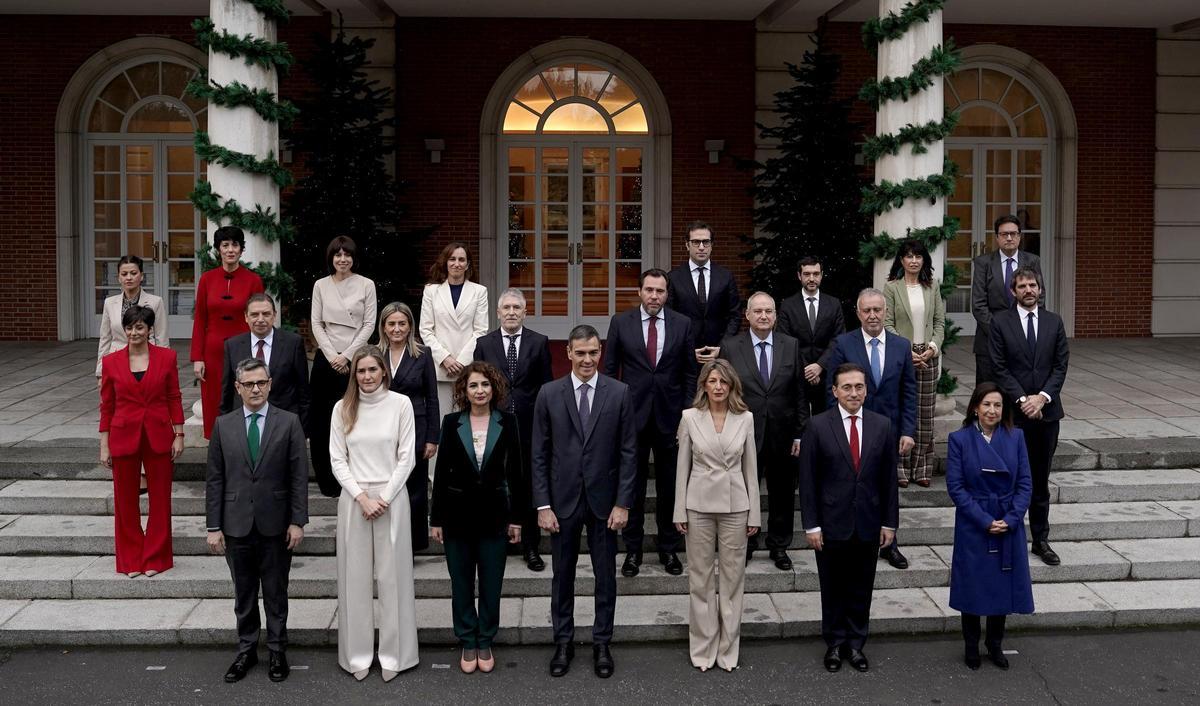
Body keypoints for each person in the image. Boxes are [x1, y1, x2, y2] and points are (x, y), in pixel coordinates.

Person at [532, 325, 637, 679]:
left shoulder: (619, 393)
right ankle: (563, 642)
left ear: (600, 352)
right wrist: (542, 505)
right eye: (581, 353)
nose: (588, 359)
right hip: (562, 503)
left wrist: (623, 503)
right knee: (562, 576)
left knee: (605, 577)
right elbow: (539, 455)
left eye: (594, 352)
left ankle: (601, 643)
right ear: (569, 354)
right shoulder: (548, 394)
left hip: (605, 504)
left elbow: (628, 452)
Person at [205, 357, 309, 684]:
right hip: (236, 524)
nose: (255, 389)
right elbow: (215, 480)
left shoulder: (289, 422)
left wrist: (297, 521)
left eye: (261, 382)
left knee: (276, 592)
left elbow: (298, 477)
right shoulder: (224, 425)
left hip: (276, 524)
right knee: (244, 593)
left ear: (270, 384)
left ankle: (277, 650)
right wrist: (213, 526)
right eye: (248, 384)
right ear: (237, 388)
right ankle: (247, 649)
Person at [799, 363, 899, 673]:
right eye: (847, 387)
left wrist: (889, 522)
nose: (853, 393)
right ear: (834, 391)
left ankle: (856, 644)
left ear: (866, 390)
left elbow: (888, 480)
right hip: (830, 524)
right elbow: (809, 480)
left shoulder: (882, 425)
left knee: (861, 587)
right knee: (832, 588)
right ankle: (834, 643)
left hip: (868, 523)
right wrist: (811, 525)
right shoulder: (817, 426)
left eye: (858, 387)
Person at [329, 345, 419, 681]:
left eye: (372, 370)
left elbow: (407, 457)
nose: (367, 377)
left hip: (392, 496)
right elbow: (337, 459)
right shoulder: (342, 408)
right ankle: (357, 656)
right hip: (354, 499)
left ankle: (396, 655)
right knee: (354, 580)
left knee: (393, 578)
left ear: (384, 371)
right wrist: (361, 497)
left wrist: (382, 496)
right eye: (361, 371)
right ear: (354, 375)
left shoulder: (401, 404)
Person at [430, 362, 527, 674]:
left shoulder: (508, 422)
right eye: (473, 386)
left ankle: (485, 638)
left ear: (493, 388)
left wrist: (516, 519)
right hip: (456, 517)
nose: (480, 390)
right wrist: (436, 519)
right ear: (464, 391)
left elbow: (517, 473)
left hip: (494, 517)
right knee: (460, 582)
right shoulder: (451, 422)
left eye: (485, 384)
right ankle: (467, 639)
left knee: (490, 583)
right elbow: (441, 472)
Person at [603, 268, 697, 578]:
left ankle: (669, 549)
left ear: (667, 294)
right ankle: (632, 550)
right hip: (632, 417)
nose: (654, 296)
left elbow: (688, 373)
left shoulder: (683, 324)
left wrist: (687, 414)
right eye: (649, 290)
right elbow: (611, 370)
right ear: (640, 292)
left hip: (671, 418)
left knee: (670, 487)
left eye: (660, 291)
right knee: (632, 487)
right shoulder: (621, 323)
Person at [673, 359, 760, 672]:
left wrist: (755, 514)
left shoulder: (745, 418)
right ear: (704, 385)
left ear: (732, 385)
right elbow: (682, 466)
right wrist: (678, 509)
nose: (718, 387)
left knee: (733, 579)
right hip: (698, 505)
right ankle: (703, 646)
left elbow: (751, 468)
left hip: (737, 506)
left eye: (724, 381)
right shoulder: (689, 417)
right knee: (700, 579)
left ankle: (728, 649)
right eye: (712, 381)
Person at [825, 288, 916, 571]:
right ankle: (856, 539)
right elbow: (832, 392)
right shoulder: (843, 344)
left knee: (887, 486)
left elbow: (909, 392)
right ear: (858, 313)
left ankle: (890, 544)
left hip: (889, 431)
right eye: (867, 310)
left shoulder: (902, 346)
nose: (873, 315)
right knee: (854, 485)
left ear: (886, 312)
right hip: (853, 430)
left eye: (877, 310)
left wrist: (908, 431)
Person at [946, 382, 1035, 670]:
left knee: (1001, 585)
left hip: (1008, 519)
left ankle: (995, 644)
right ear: (975, 407)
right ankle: (971, 645)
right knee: (973, 585)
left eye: (997, 405)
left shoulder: (1016, 437)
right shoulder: (959, 439)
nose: (992, 410)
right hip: (975, 522)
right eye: (987, 404)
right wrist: (985, 520)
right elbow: (956, 488)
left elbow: (1025, 483)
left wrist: (1011, 520)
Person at [718, 292, 808, 570]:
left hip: (783, 434)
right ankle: (745, 543)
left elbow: (799, 393)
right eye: (757, 311)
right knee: (744, 491)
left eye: (768, 311)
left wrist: (799, 434)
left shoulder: (790, 345)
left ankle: (779, 545)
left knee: (782, 493)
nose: (763, 316)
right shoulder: (731, 347)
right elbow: (721, 392)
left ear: (775, 316)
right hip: (742, 435)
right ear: (747, 315)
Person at [989, 267, 1069, 566]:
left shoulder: (1054, 322)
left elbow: (1060, 366)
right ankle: (1008, 536)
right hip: (1013, 415)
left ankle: (1041, 540)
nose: (1028, 290)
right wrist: (1023, 400)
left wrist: (1042, 399)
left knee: (1039, 480)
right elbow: (998, 367)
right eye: (1022, 286)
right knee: (1008, 478)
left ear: (1040, 288)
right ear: (1013, 291)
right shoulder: (1000, 322)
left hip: (1047, 415)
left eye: (1033, 284)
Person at [98, 305, 183, 577]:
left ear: (149, 330)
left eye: (140, 327)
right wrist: (104, 443)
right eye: (130, 327)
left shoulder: (167, 358)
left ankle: (156, 557)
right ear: (124, 330)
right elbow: (106, 406)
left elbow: (174, 397)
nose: (134, 332)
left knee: (160, 500)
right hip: (123, 435)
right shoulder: (111, 362)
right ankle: (131, 559)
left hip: (159, 435)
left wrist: (179, 434)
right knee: (125, 501)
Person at [473, 288, 554, 571]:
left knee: (528, 485)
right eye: (506, 308)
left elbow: (547, 387)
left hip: (530, 426)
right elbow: (477, 384)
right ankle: (499, 543)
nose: (510, 312)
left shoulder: (539, 342)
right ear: (498, 312)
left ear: (524, 312)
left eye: (516, 308)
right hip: (494, 425)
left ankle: (530, 546)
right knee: (496, 484)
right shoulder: (484, 344)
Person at [310, 236, 378, 498]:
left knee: (356, 418)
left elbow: (369, 324)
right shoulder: (320, 285)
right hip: (326, 358)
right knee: (323, 420)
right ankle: (327, 479)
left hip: (357, 359)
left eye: (347, 254)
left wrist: (348, 355)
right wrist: (332, 355)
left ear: (353, 257)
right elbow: (316, 323)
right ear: (331, 258)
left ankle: (356, 476)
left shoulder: (366, 285)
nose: (342, 259)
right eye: (337, 254)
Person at [191, 226, 265, 439]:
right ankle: (218, 453)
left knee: (244, 399)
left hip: (244, 351)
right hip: (212, 353)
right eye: (225, 245)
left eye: (235, 245)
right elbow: (200, 319)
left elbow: (260, 318)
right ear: (218, 249)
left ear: (242, 250)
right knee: (214, 403)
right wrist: (197, 357)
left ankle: (244, 449)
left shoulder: (253, 280)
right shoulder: (207, 279)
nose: (230, 250)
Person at [883, 240, 946, 488]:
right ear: (901, 260)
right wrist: (906, 350)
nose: (913, 261)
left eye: (918, 256)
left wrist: (931, 348)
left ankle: (922, 468)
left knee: (925, 415)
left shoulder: (932, 287)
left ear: (924, 260)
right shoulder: (891, 288)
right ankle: (901, 467)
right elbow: (886, 324)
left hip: (928, 357)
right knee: (902, 411)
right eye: (908, 256)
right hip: (902, 357)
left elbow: (940, 322)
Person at [379, 301, 440, 554]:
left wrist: (432, 438)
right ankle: (385, 543)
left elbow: (432, 397)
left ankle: (411, 546)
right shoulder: (373, 354)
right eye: (391, 323)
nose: (396, 329)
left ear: (410, 326)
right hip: (381, 429)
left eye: (401, 323)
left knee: (414, 490)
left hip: (416, 428)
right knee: (385, 486)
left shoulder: (423, 354)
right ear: (383, 327)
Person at [219, 293, 311, 433]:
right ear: (246, 317)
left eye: (266, 314)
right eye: (255, 314)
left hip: (283, 424)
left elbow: (303, 391)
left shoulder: (293, 343)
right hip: (243, 424)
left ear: (274, 315)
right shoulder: (232, 346)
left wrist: (302, 431)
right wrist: (224, 429)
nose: (260, 319)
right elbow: (227, 391)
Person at [419, 241, 490, 422]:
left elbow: (480, 330)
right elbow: (426, 330)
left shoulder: (479, 291)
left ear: (468, 264)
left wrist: (460, 361)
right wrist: (445, 358)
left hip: (466, 367)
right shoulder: (431, 291)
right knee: (440, 419)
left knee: (465, 420)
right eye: (452, 259)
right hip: (440, 366)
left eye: (461, 259)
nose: (456, 263)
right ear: (446, 262)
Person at [971, 214, 1043, 385]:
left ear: (1019, 236)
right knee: (988, 393)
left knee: (1021, 392)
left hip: (1024, 339)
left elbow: (1039, 298)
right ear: (997, 237)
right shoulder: (983, 263)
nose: (1009, 238)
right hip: (990, 340)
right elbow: (979, 305)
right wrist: (1000, 332)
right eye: (1004, 234)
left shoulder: (1032, 261)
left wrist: (1019, 331)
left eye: (1013, 233)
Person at [777, 257, 845, 417]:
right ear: (799, 276)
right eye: (807, 274)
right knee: (798, 422)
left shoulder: (834, 304)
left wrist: (820, 366)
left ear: (822, 275)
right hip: (798, 375)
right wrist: (807, 369)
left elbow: (838, 338)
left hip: (827, 375)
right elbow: (785, 340)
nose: (812, 278)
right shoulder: (788, 305)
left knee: (827, 421)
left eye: (816, 274)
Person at [666, 221, 742, 364]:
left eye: (706, 242)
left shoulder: (725, 276)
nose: (701, 247)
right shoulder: (673, 278)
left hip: (719, 356)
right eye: (696, 242)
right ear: (687, 245)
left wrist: (722, 347)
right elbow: (669, 318)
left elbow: (735, 316)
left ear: (712, 245)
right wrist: (685, 348)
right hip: (684, 356)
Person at [95, 254, 168, 382]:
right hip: (116, 361)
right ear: (118, 277)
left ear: (142, 276)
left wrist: (164, 367)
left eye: (133, 273)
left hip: (146, 361)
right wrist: (100, 371)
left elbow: (161, 338)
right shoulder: (109, 303)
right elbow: (105, 339)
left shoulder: (155, 302)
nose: (129, 278)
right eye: (124, 274)